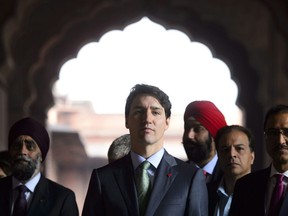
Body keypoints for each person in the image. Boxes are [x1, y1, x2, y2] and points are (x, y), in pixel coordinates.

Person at [82, 84, 208, 216]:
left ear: (167, 122)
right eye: (139, 112)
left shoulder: (190, 177)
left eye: (155, 112)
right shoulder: (103, 178)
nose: (147, 119)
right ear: (126, 120)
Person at [0, 117, 79, 216]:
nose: (22, 151)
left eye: (30, 146)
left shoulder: (62, 199)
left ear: (41, 155)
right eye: (17, 145)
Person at [229, 104, 288, 216]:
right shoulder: (245, 186)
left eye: (287, 132)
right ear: (265, 138)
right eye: (272, 133)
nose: (280, 141)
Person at [208, 125, 255, 216]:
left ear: (252, 156)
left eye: (239, 148)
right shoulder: (206, 193)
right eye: (225, 150)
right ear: (218, 156)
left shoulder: (264, 193)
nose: (232, 154)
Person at [182, 100, 227, 183]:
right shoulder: (175, 174)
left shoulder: (229, 175)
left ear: (214, 135)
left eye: (197, 129)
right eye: (186, 128)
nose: (189, 135)